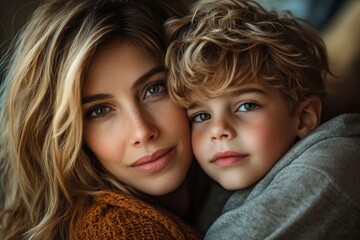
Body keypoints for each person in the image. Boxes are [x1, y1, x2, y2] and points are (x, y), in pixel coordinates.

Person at [0, 0, 204, 239]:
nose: (142, 131)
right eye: (99, 111)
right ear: (67, 135)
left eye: (155, 89)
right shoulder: (118, 230)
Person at [165, 0, 360, 238]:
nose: (219, 130)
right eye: (202, 115)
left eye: (246, 106)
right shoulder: (222, 179)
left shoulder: (320, 171)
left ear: (304, 118)